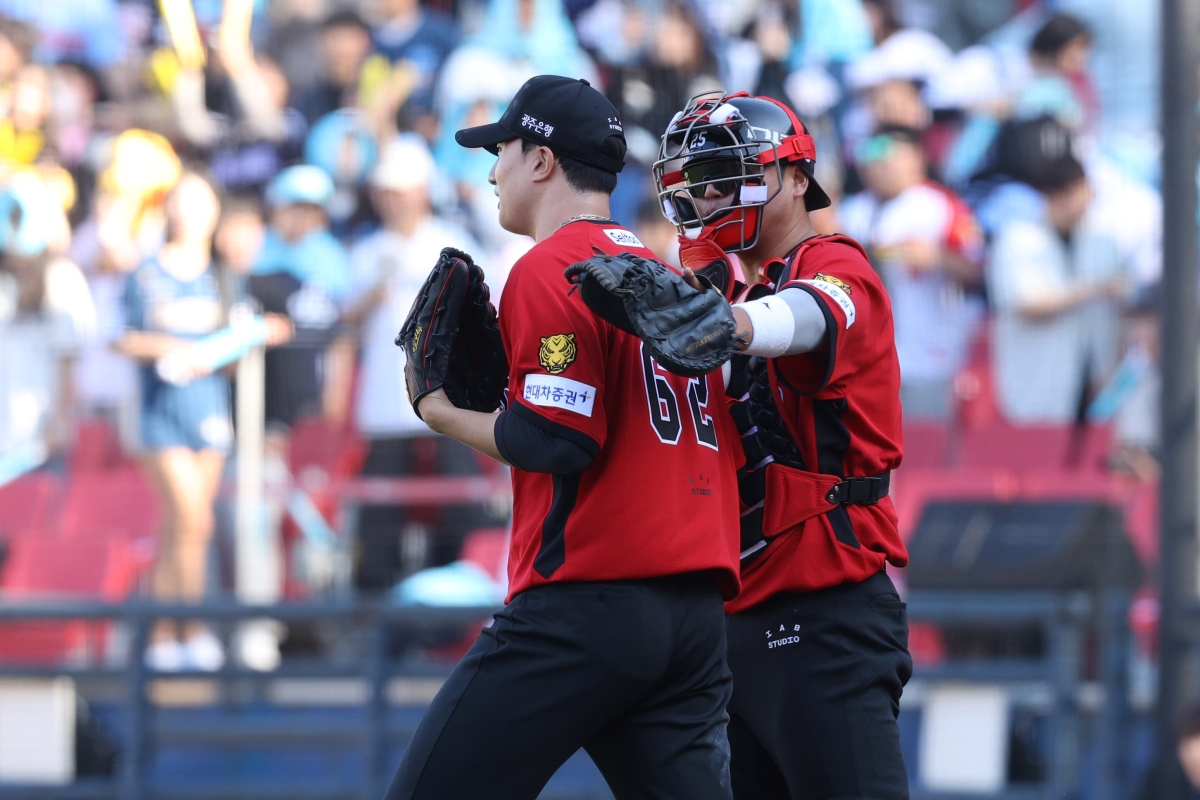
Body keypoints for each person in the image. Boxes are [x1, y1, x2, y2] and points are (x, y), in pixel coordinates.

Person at [384, 75, 742, 800]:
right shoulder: (662, 274)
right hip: (694, 616)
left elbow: (557, 439)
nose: (493, 172)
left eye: (503, 151)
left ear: (542, 160)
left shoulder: (550, 267)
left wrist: (439, 410)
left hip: (589, 601)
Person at [647, 92, 912, 799]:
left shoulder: (833, 263)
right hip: (729, 623)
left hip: (825, 601)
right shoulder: (722, 293)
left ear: (796, 177)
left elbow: (811, 314)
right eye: (696, 181)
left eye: (725, 174)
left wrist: (723, 325)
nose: (708, 195)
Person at [115, 171, 290, 672]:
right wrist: (175, 349)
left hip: (209, 412)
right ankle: (184, 630)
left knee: (181, 528)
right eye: (182, 202)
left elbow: (228, 359)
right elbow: (125, 338)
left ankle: (167, 636)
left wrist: (247, 338)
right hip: (160, 413)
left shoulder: (223, 277)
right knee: (193, 520)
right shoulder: (146, 274)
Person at [339, 136, 492, 589]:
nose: (391, 201)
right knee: (381, 516)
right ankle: (379, 607)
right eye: (385, 192)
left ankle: (463, 598)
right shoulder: (368, 250)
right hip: (387, 406)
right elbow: (345, 319)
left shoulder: (451, 242)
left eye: (399, 192)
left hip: (447, 400)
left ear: (421, 191)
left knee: (459, 507)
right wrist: (375, 289)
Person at [840, 125, 984, 420]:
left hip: (928, 356)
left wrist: (938, 257)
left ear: (917, 157)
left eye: (889, 156)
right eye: (872, 157)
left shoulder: (941, 206)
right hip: (862, 360)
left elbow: (977, 271)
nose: (879, 165)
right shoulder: (851, 211)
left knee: (923, 440)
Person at [987, 151, 1130, 424]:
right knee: (1040, 445)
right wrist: (1094, 289)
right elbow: (1029, 304)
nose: (1089, 197)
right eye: (1080, 189)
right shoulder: (1018, 240)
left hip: (1095, 378)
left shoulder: (1103, 242)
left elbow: (1124, 308)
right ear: (1055, 195)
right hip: (1038, 379)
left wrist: (1113, 369)